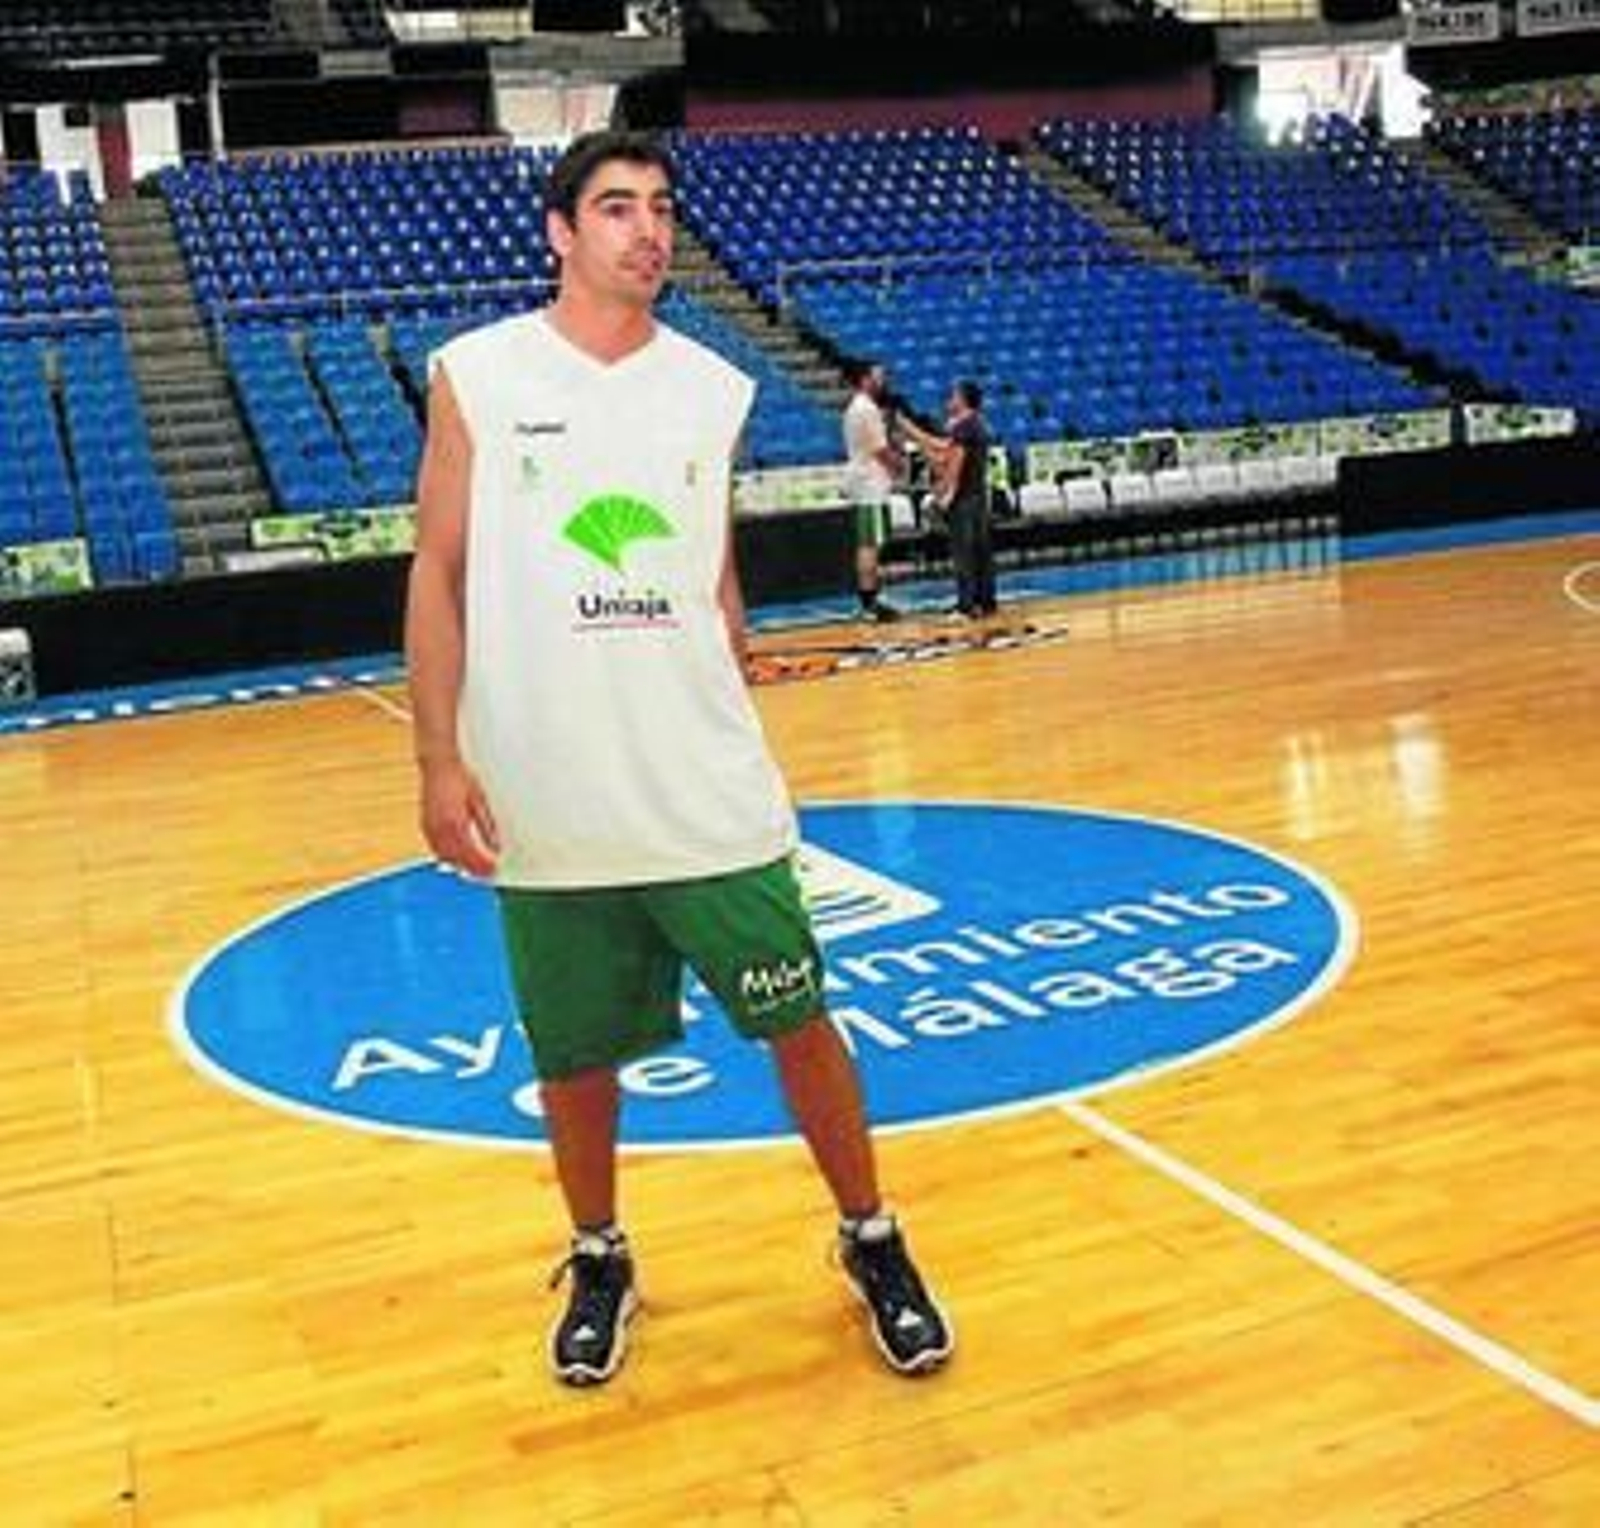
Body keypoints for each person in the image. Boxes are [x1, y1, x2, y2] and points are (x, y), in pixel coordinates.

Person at [405, 130, 952, 1388]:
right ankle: (599, 1253)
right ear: (560, 230)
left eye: (660, 207)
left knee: (799, 1019)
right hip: (548, 788)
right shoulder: (476, 374)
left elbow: (711, 574)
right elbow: (437, 572)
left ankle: (870, 1234)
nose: (647, 229)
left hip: (703, 787)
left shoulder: (714, 388)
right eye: (616, 207)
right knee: (573, 1054)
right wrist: (439, 757)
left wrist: (728, 672)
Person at [900, 380, 998, 620]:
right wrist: (913, 432)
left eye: (953, 395)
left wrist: (941, 495)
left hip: (964, 498)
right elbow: (944, 447)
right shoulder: (976, 423)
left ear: (963, 399)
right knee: (980, 552)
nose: (949, 399)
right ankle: (985, 602)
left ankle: (966, 606)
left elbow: (952, 464)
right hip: (978, 496)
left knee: (963, 554)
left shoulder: (964, 426)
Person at [839, 358, 903, 622]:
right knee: (870, 546)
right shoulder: (867, 409)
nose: (883, 380)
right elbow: (880, 449)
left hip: (862, 481)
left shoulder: (855, 407)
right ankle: (870, 603)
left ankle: (869, 601)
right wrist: (898, 465)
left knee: (867, 544)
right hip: (871, 485)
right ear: (865, 380)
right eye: (878, 376)